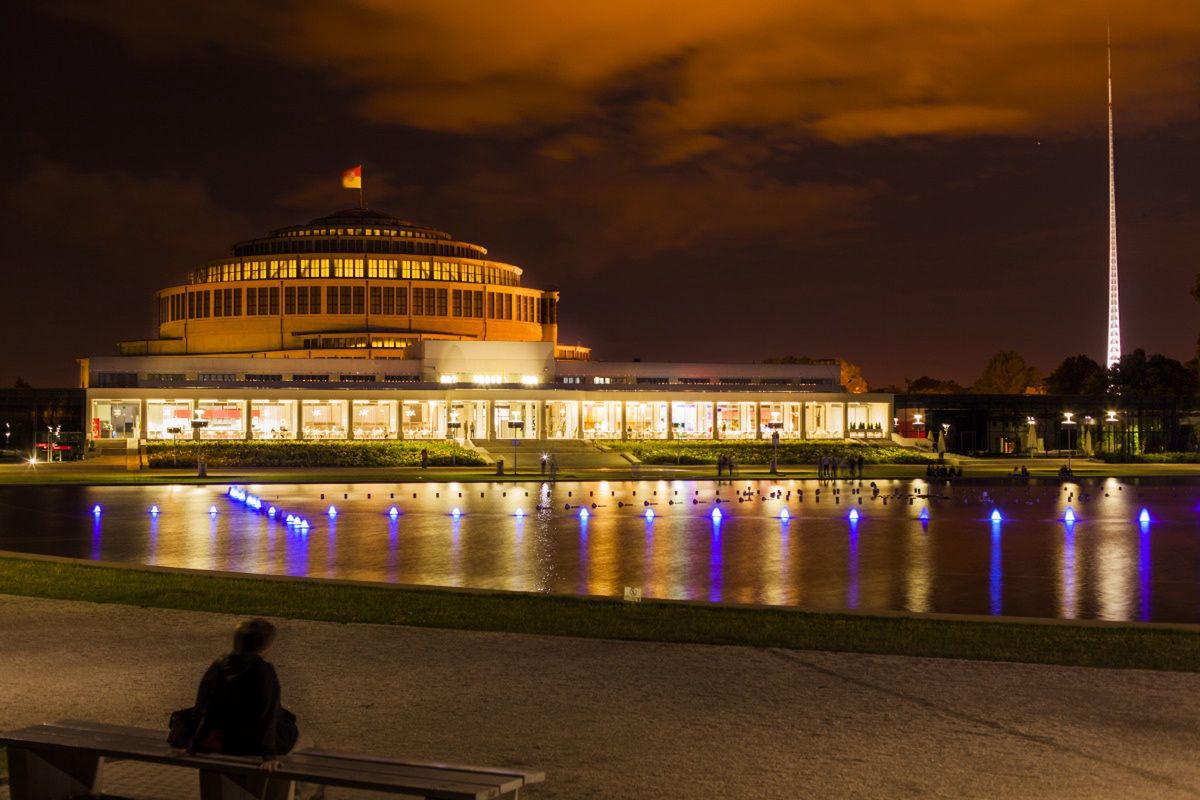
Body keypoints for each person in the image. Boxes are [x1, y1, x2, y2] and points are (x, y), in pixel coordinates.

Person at [190, 620, 322, 798]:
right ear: (266, 646)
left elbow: (204, 706)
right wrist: (269, 755)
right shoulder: (263, 670)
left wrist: (196, 743)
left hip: (227, 740)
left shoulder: (219, 665)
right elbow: (268, 714)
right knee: (308, 749)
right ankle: (303, 796)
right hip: (254, 743)